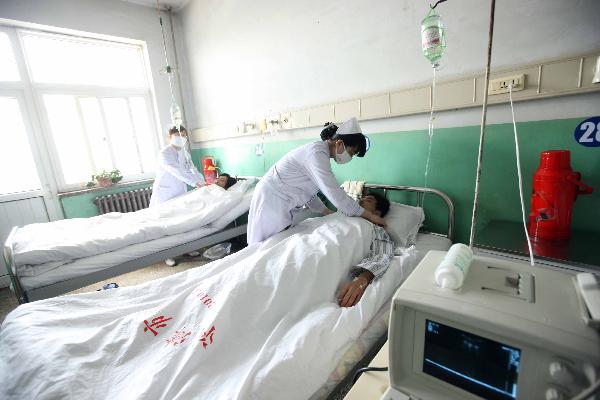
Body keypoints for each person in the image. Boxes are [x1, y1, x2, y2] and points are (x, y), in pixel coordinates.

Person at [247, 117, 385, 244]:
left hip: (280, 201)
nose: (350, 157)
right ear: (339, 143)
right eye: (351, 152)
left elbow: (307, 193)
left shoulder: (320, 155)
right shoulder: (316, 154)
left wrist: (325, 211)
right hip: (272, 200)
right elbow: (335, 194)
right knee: (263, 246)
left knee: (271, 246)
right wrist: (370, 216)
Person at [337, 192, 393, 308]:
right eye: (362, 198)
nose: (361, 200)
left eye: (369, 200)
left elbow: (383, 255)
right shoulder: (340, 216)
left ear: (377, 212)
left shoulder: (375, 228)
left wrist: (362, 280)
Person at [149, 125, 205, 208]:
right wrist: (195, 183)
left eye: (183, 135)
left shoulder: (185, 153)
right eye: (178, 135)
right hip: (165, 192)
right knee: (162, 215)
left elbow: (192, 169)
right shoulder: (165, 153)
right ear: (169, 137)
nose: (181, 138)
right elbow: (177, 171)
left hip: (179, 190)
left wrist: (202, 181)